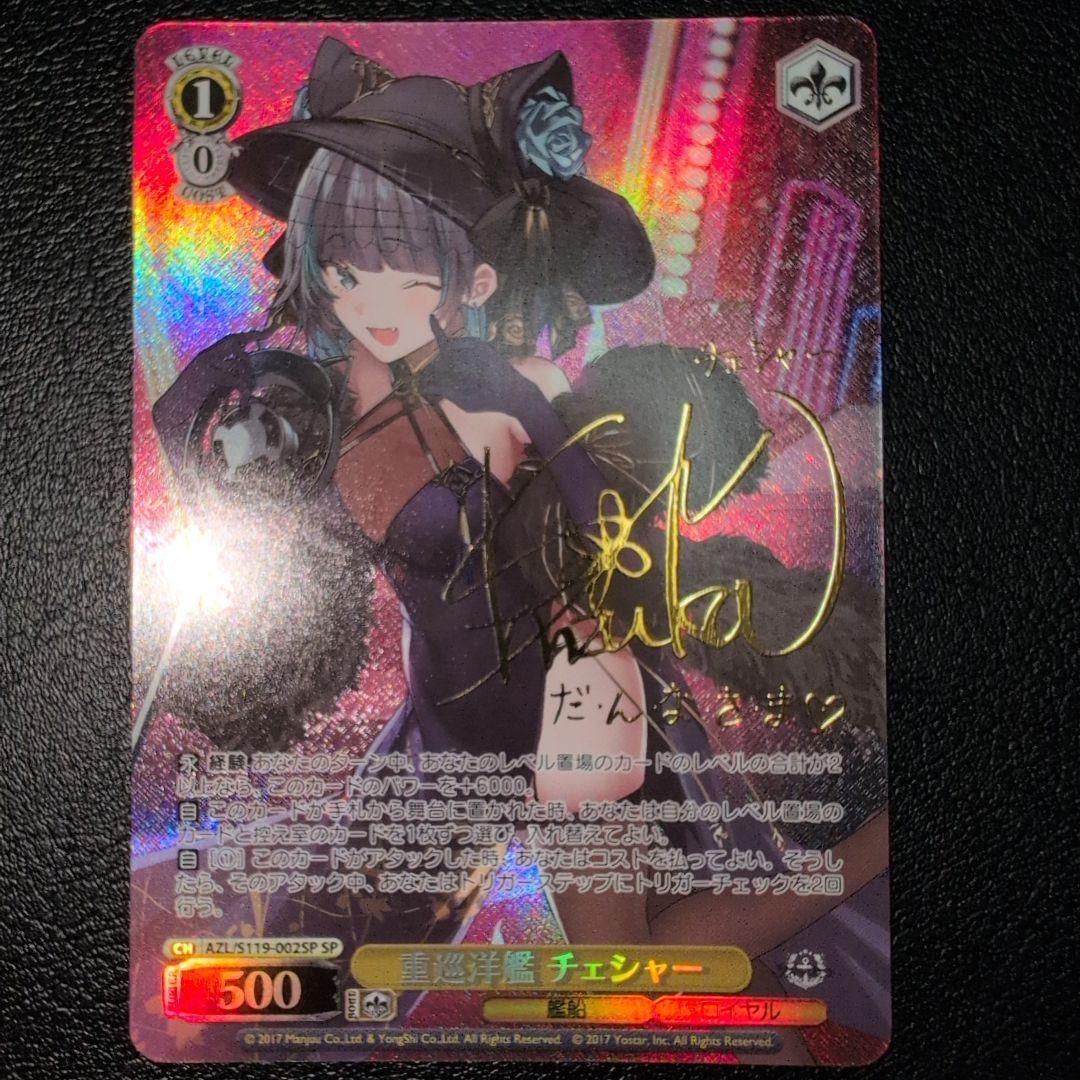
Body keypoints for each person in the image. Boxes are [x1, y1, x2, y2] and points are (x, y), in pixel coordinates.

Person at [150, 38, 889, 1051]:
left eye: (411, 267)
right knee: (295, 983)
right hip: (447, 728)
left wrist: (603, 660)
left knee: (628, 982)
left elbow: (597, 528)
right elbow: (288, 576)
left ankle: (877, 847)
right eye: (349, 265)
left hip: (569, 690)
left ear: (472, 273)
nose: (376, 297)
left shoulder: (504, 390)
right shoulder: (299, 414)